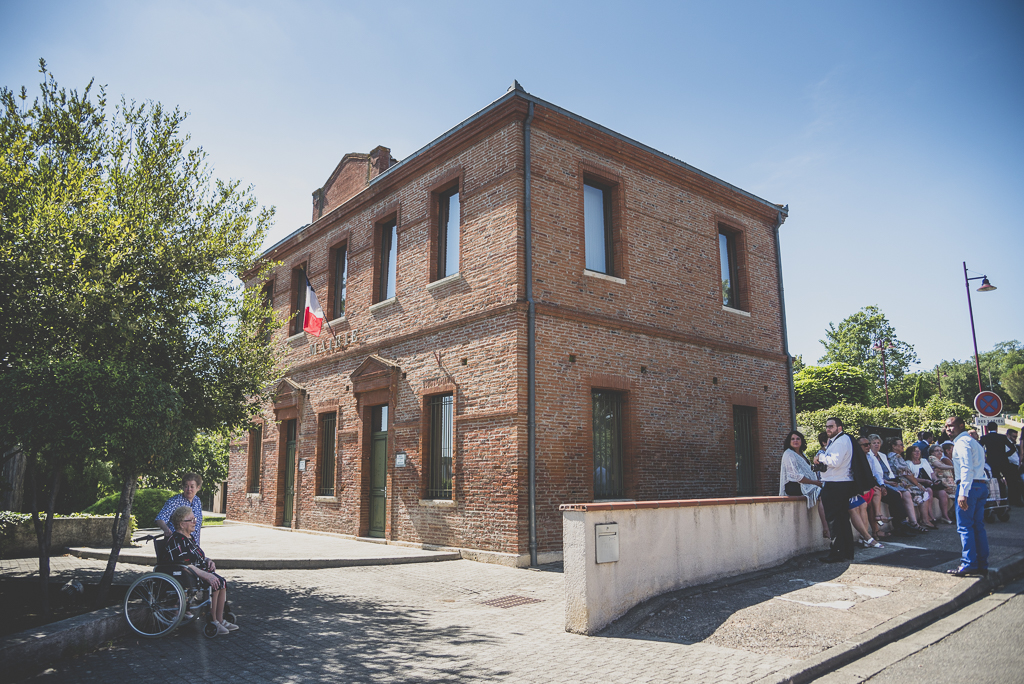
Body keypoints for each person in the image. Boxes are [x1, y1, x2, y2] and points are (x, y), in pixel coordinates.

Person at [166, 505, 237, 634]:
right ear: (181, 524)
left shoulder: (189, 538)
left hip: (196, 572)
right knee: (214, 582)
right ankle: (214, 621)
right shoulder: (176, 540)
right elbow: (185, 563)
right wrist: (206, 575)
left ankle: (220, 620)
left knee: (221, 582)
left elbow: (198, 556)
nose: (195, 522)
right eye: (191, 520)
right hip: (186, 575)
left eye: (195, 518)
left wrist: (208, 560)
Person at [945, 415, 989, 577]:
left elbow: (966, 467)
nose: (948, 429)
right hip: (980, 485)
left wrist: (963, 492)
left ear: (961, 426)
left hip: (969, 487)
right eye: (947, 426)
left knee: (965, 527)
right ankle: (981, 563)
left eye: (952, 426)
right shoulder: (973, 442)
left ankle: (969, 563)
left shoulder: (962, 443)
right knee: (978, 526)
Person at [813, 417, 857, 562]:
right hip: (839, 484)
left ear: (839, 428)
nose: (828, 429)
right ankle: (846, 552)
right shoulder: (840, 440)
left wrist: (821, 456)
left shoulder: (841, 441)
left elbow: (835, 462)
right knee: (842, 519)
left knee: (834, 520)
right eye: (826, 426)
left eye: (831, 426)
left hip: (836, 484)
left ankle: (838, 552)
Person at [779, 431, 829, 539]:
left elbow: (810, 471)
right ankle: (826, 528)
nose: (795, 441)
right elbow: (795, 475)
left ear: (802, 441)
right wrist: (815, 483)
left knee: (830, 491)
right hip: (794, 485)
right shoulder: (788, 454)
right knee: (824, 495)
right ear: (789, 441)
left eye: (798, 439)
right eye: (793, 439)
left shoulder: (802, 454)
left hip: (807, 483)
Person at [874, 439, 925, 535]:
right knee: (901, 494)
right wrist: (918, 484)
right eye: (901, 445)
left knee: (905, 494)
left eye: (878, 443)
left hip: (891, 481)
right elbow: (906, 473)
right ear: (894, 446)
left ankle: (912, 523)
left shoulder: (883, 456)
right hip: (888, 482)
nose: (903, 446)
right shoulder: (894, 456)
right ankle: (903, 525)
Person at [979, 421, 1023, 506]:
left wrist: (985, 456)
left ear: (988, 428)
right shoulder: (1002, 437)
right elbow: (1012, 448)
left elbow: (979, 448)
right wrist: (1005, 455)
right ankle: (1013, 500)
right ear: (996, 428)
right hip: (1004, 462)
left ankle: (998, 501)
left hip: (992, 462)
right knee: (1011, 482)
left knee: (996, 481)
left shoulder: (985, 438)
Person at [906, 444, 952, 525]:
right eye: (915, 451)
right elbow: (911, 477)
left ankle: (945, 516)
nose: (917, 453)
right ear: (910, 453)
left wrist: (936, 480)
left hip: (930, 482)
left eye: (918, 451)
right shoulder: (908, 463)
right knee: (929, 491)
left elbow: (931, 473)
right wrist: (925, 481)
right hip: (918, 484)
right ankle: (930, 516)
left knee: (942, 493)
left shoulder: (924, 461)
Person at [851, 437, 883, 548]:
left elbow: (875, 473)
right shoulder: (853, 457)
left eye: (868, 444)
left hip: (867, 487)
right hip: (857, 488)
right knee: (862, 505)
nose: (868, 447)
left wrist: (881, 484)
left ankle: (867, 534)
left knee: (875, 493)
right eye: (865, 445)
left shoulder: (870, 457)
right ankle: (866, 536)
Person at [156, 473, 204, 544]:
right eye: (186, 486)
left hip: (193, 544)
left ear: (198, 487)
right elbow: (160, 519)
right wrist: (166, 530)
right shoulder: (174, 501)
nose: (189, 489)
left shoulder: (197, 501)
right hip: (178, 545)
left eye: (192, 486)